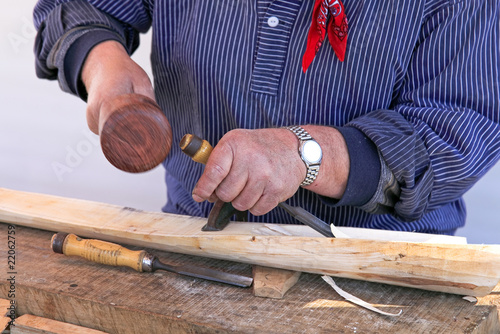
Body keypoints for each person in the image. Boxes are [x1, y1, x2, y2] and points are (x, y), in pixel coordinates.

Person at [33, 0, 500, 235]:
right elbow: (77, 6)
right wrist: (102, 64)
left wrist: (306, 155)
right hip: (197, 241)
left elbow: (457, 128)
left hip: (377, 267)